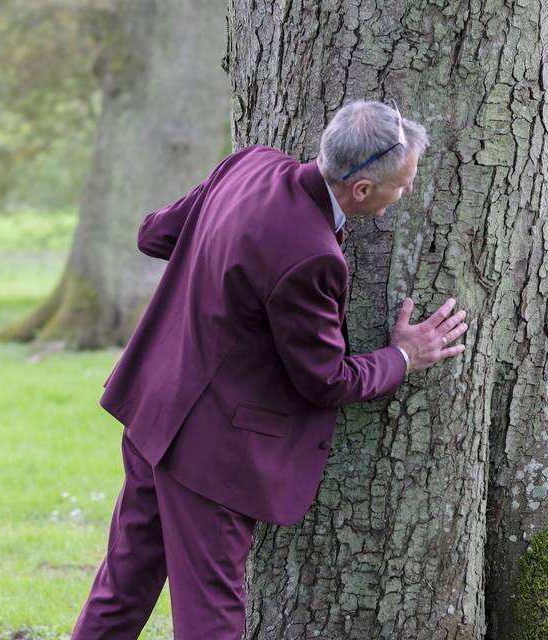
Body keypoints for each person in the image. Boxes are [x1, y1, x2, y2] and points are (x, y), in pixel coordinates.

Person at [71, 100, 469, 639]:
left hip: (154, 410)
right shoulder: (312, 255)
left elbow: (156, 234)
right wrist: (405, 355)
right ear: (362, 191)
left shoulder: (248, 164)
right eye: (402, 185)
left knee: (122, 590)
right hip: (209, 455)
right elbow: (326, 379)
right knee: (211, 619)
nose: (407, 193)